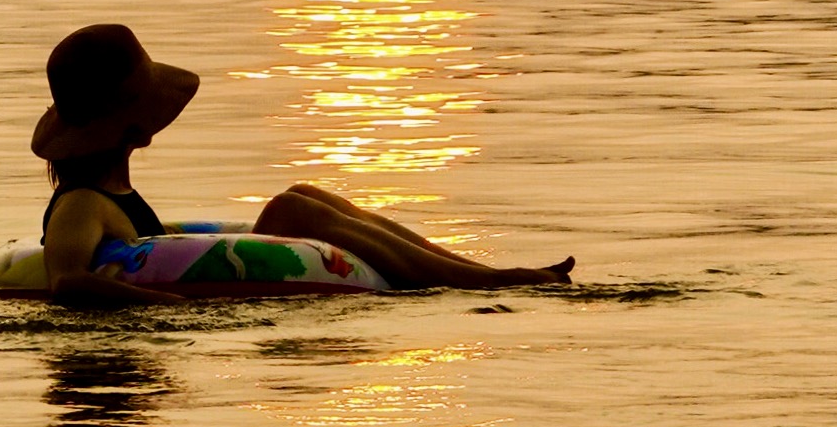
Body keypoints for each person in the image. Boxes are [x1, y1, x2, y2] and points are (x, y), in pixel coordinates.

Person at [33, 22, 574, 306]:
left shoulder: (110, 188)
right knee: (291, 210)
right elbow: (68, 281)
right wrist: (169, 306)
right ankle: (490, 282)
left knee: (304, 195)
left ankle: (479, 274)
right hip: (178, 304)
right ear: (131, 124)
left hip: (179, 290)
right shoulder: (81, 204)